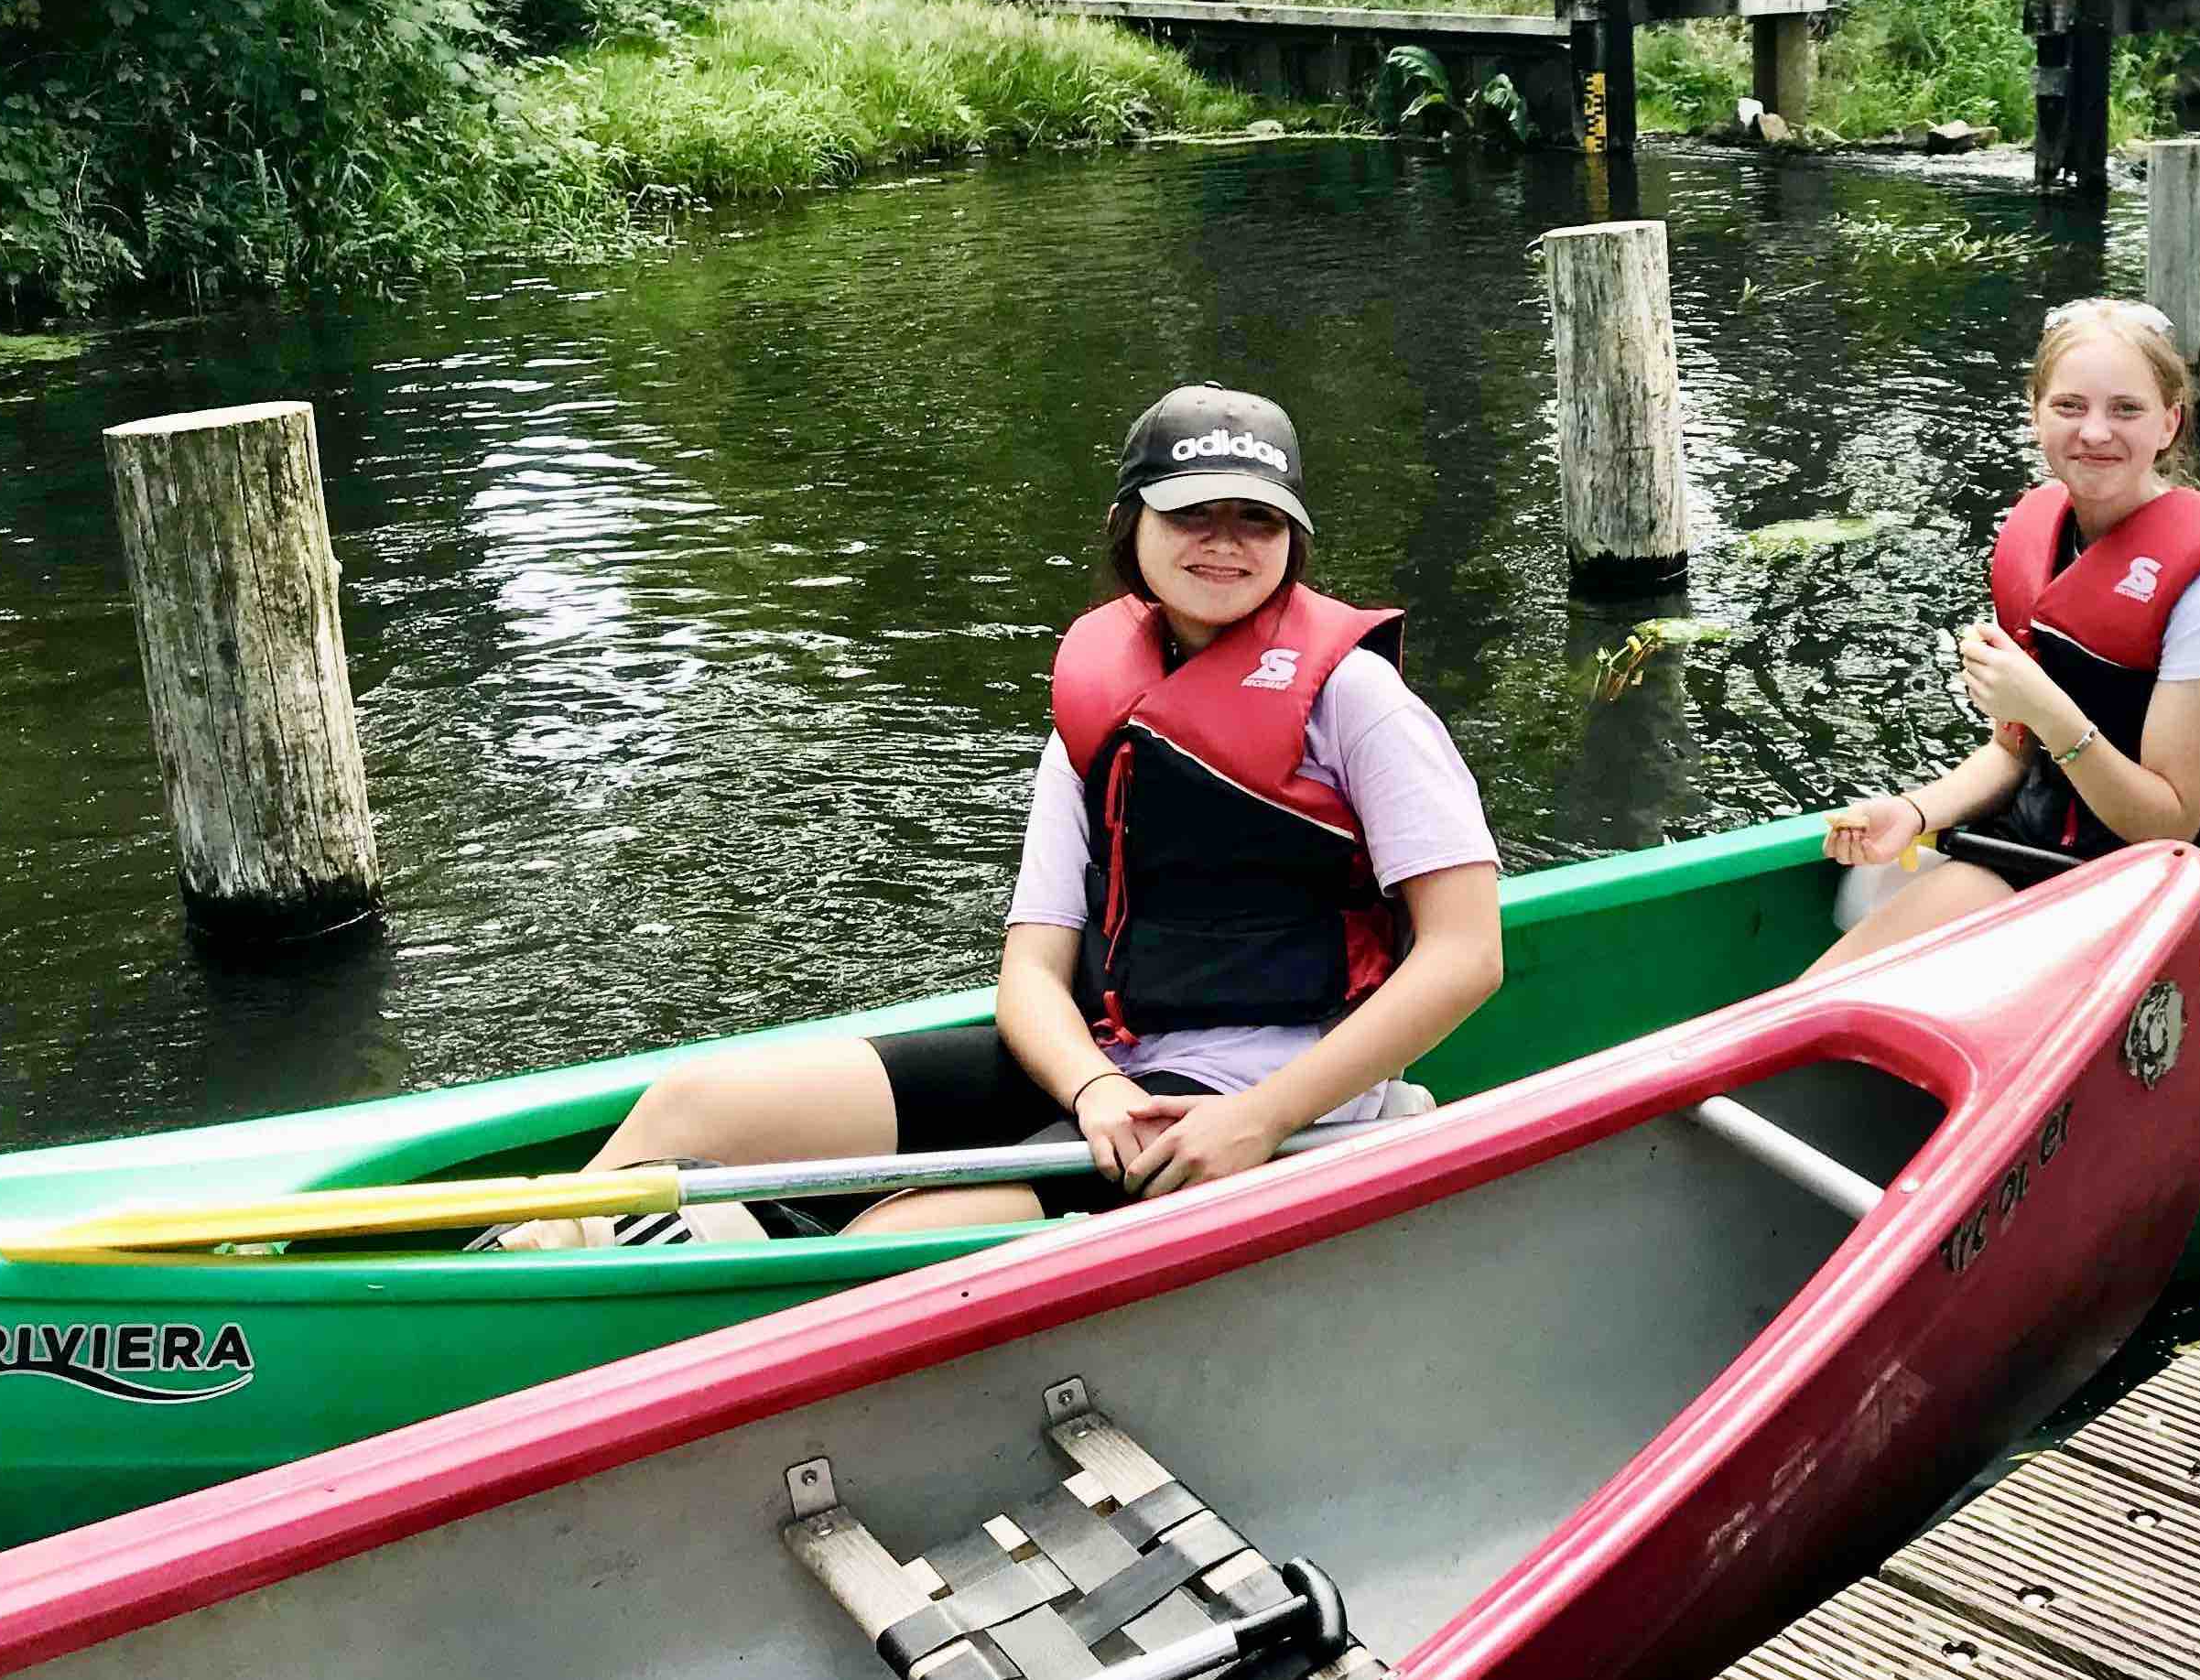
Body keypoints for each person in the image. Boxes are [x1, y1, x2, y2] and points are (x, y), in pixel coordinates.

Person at [502, 387, 1504, 1247]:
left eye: (1258, 518)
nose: (1226, 543)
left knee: (915, 1228)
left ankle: (674, 1328)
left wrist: (1259, 1120)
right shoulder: (1096, 706)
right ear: (1131, 525)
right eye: (1194, 513)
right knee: (698, 1105)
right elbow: (1031, 972)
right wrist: (1092, 1090)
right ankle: (536, 1257)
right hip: (1105, 1064)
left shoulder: (1357, 702)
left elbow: (1465, 954)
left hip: (1271, 1089)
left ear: (1293, 538)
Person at [1816, 298, 2200, 998]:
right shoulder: (2040, 539)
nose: (2095, 432)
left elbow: (2166, 824)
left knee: (1887, 985)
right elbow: (2016, 751)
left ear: (2171, 421)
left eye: (2127, 410)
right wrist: (1918, 810)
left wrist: (2047, 709)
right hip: (2041, 858)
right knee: (1830, 989)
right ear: (2037, 414)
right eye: (2071, 406)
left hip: (2168, 909)